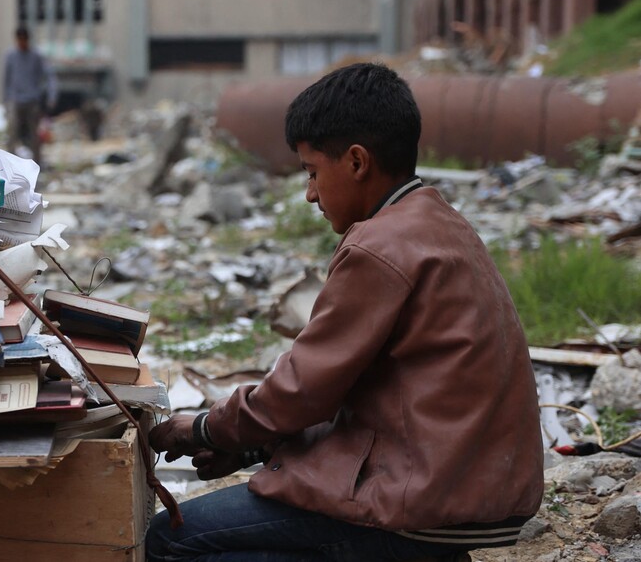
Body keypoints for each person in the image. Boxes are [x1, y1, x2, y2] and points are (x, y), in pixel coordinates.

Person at [146, 63, 544, 562]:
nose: (310, 193)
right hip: (462, 487)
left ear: (357, 162)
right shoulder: (442, 223)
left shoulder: (379, 246)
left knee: (169, 539)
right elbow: (360, 392)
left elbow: (300, 391)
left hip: (415, 502)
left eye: (313, 173)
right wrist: (250, 448)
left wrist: (202, 427)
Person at [3, 25, 57, 166]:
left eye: (24, 40)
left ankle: (36, 163)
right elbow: (6, 79)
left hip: (32, 101)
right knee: (12, 132)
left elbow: (49, 76)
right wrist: (5, 101)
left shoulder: (36, 56)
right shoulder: (11, 56)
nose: (22, 43)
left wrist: (51, 96)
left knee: (34, 134)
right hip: (15, 100)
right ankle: (8, 163)